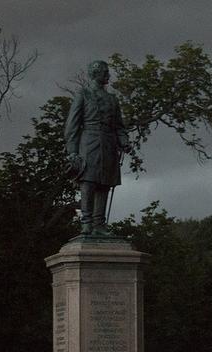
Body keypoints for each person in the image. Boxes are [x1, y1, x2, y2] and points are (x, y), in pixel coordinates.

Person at [64, 59, 129, 236]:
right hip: (89, 142)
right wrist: (73, 152)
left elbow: (119, 126)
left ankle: (99, 224)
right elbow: (72, 125)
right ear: (95, 73)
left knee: (104, 184)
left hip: (108, 144)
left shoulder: (112, 99)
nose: (108, 75)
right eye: (105, 72)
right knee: (89, 182)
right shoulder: (83, 94)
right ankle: (86, 223)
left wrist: (124, 141)